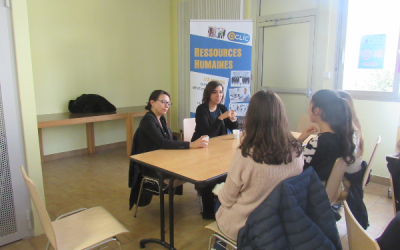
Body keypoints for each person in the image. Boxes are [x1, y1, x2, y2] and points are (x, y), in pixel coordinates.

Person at [215, 90, 304, 241]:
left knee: (218, 200)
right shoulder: (297, 150)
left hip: (247, 226)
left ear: (252, 117)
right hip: (281, 223)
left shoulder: (246, 153)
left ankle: (220, 245)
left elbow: (228, 199)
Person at [137, 90, 208, 177]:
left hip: (163, 157)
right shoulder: (148, 120)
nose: (167, 106)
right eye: (163, 102)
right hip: (152, 164)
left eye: (168, 103)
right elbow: (163, 142)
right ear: (152, 102)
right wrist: (190, 144)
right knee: (186, 169)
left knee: (191, 162)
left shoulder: (161, 118)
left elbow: (169, 139)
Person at [298, 89, 356, 183]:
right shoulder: (341, 138)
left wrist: (298, 142)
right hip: (322, 191)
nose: (308, 110)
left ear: (317, 110)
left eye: (310, 106)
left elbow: (298, 167)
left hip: (308, 192)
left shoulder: (318, 142)